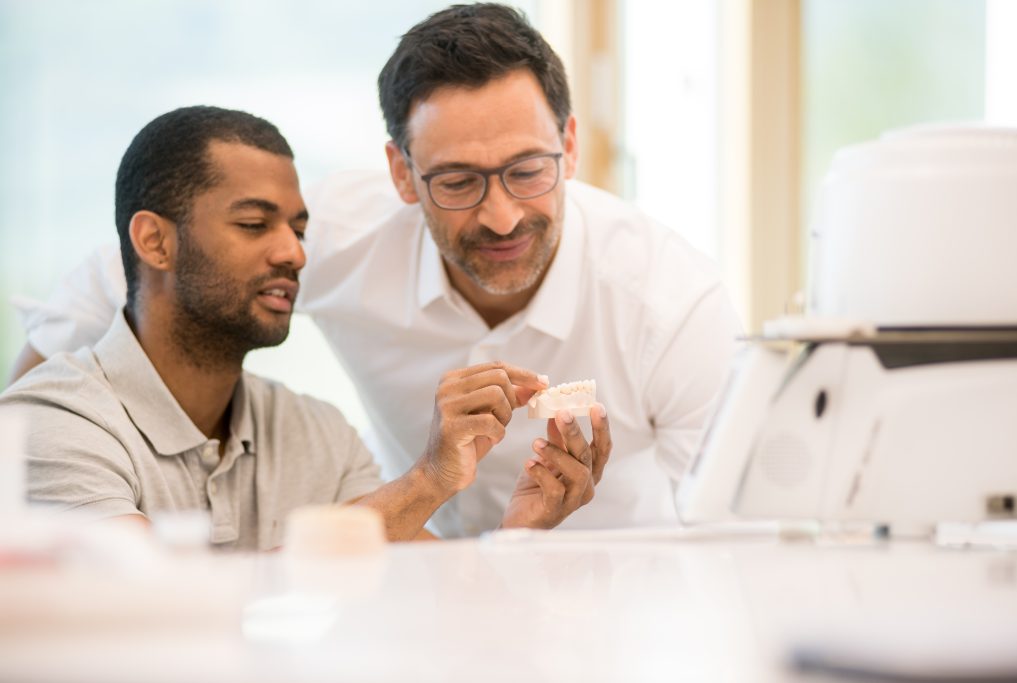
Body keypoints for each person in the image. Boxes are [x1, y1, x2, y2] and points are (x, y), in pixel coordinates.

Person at [8, 3, 740, 537]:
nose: (501, 216)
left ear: (571, 148)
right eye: (456, 181)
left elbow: (724, 533)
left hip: (624, 583)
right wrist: (27, 443)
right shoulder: (332, 231)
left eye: (527, 170)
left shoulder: (671, 304)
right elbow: (116, 280)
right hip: (432, 590)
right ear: (401, 173)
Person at [0, 106, 609, 551]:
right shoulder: (50, 426)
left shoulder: (317, 433)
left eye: (297, 228)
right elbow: (167, 603)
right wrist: (427, 481)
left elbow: (432, 598)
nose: (293, 252)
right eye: (254, 224)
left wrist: (516, 538)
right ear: (154, 241)